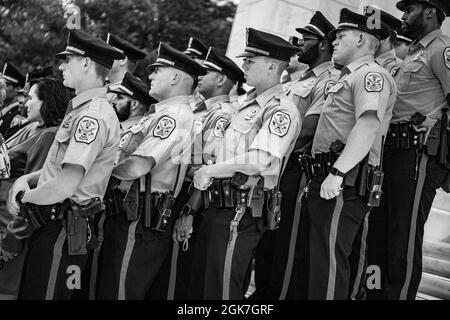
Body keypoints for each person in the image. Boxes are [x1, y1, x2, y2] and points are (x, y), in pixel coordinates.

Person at [5, 28, 123, 300]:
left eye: (67, 60)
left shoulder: (91, 116)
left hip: (63, 226)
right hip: (58, 225)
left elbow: (66, 184)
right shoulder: (82, 110)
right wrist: (29, 179)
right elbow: (61, 168)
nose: (60, 66)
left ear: (85, 63)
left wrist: (24, 198)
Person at [189, 27, 301, 300]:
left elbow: (260, 159)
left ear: (273, 66)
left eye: (251, 60)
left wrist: (208, 171)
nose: (244, 65)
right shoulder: (244, 105)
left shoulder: (280, 109)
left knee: (222, 291)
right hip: (215, 206)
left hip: (240, 210)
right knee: (201, 289)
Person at [295, 8, 396, 300]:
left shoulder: (370, 75)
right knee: (316, 264)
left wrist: (337, 173)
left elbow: (367, 125)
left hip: (345, 181)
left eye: (341, 36)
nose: (334, 42)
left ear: (363, 39)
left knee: (328, 267)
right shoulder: (346, 76)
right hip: (326, 177)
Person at [96, 42, 203, 300]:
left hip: (140, 218)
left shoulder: (175, 116)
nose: (150, 76)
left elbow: (139, 164)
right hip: (129, 214)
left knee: (118, 291)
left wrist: (95, 176)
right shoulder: (160, 113)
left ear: (175, 76)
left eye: (157, 70)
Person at [251, 11, 340, 300]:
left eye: (307, 38)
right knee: (266, 242)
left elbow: (309, 129)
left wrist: (269, 148)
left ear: (324, 44)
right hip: (274, 169)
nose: (300, 43)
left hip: (294, 170)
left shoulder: (329, 79)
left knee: (284, 245)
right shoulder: (296, 80)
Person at [367, 0, 450, 300]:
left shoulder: (442, 49)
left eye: (409, 9)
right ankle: (373, 294)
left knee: (402, 239)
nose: (403, 15)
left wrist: (437, 117)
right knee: (377, 235)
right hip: (392, 152)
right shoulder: (414, 51)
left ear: (430, 11)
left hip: (417, 158)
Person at [162, 46, 243, 300]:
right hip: (178, 193)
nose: (200, 75)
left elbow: (206, 169)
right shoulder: (201, 111)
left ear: (221, 80)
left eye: (206, 71)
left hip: (192, 197)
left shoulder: (222, 115)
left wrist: (189, 212)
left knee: (177, 278)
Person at [0, 77, 73, 300]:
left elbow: (30, 195)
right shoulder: (34, 128)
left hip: (9, 228)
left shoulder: (49, 135)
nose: (26, 103)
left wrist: (11, 239)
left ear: (46, 102)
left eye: (31, 98)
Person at [0, 63, 26, 137]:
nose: (2, 87)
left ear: (17, 89)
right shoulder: (4, 112)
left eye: (6, 85)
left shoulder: (18, 115)